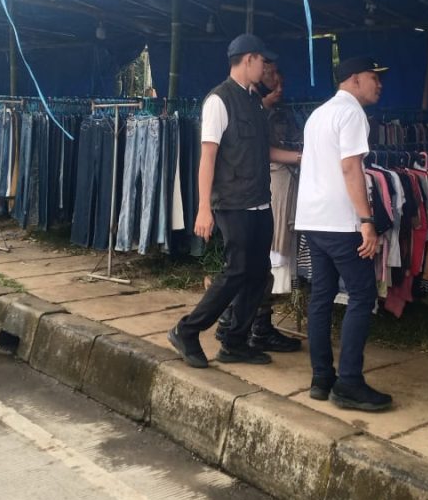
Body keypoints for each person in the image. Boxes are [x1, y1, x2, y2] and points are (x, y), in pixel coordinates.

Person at [168, 34, 300, 368]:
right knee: (236, 270)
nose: (266, 68)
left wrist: (302, 157)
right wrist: (203, 208)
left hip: (260, 202)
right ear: (248, 59)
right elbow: (208, 157)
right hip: (232, 203)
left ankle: (235, 342)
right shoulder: (219, 100)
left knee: (258, 274)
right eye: (263, 61)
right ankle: (187, 330)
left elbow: (264, 151)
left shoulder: (254, 101)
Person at [296, 55, 392, 412]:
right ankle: (349, 382)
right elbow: (351, 168)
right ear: (353, 79)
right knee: (362, 295)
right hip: (340, 221)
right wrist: (366, 220)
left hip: (312, 218)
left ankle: (322, 378)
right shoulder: (352, 113)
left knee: (321, 296)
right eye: (373, 77)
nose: (379, 84)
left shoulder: (319, 114)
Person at [215, 64, 303, 353]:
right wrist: (301, 157)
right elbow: (260, 151)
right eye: (270, 73)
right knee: (251, 265)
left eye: (279, 75)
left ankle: (244, 324)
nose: (278, 81)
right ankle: (237, 324)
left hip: (264, 192)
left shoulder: (271, 111)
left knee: (259, 265)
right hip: (252, 193)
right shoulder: (240, 107)